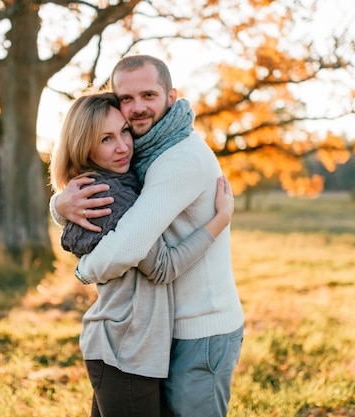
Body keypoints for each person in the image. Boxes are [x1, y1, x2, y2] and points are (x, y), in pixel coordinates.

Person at [50, 55, 245, 417]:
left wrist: (84, 271)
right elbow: (104, 199)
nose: (137, 109)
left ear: (171, 96)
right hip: (141, 338)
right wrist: (60, 206)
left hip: (199, 327)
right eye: (126, 99)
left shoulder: (175, 158)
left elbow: (127, 248)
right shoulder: (143, 154)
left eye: (149, 95)